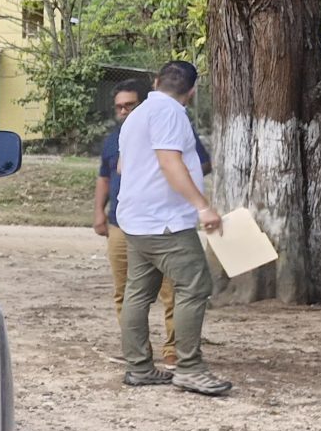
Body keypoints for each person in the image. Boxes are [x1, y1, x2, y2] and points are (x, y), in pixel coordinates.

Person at [115, 60, 232, 395]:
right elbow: (169, 162)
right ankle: (190, 368)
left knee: (138, 293)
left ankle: (138, 367)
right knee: (195, 286)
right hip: (165, 222)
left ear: (156, 82)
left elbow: (123, 166)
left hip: (135, 219)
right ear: (191, 91)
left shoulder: (136, 115)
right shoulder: (171, 113)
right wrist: (202, 206)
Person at [95, 83, 212, 368]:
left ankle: (171, 352)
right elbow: (108, 174)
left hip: (159, 219)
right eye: (119, 107)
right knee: (131, 291)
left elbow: (193, 163)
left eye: (129, 105)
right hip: (127, 222)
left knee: (171, 290)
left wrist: (173, 179)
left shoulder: (168, 121)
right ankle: (148, 359)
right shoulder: (118, 136)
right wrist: (99, 211)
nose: (124, 111)